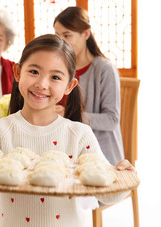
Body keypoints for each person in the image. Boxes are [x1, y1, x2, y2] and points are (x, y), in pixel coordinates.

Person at [0, 34, 136, 226]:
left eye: (55, 77)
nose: (41, 84)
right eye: (33, 72)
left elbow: (107, 193)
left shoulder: (80, 135)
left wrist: (123, 176)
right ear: (17, 73)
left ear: (69, 85)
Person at [53, 6, 124, 166]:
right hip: (63, 151)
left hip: (99, 156)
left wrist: (70, 114)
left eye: (67, 35)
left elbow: (111, 119)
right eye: (57, 35)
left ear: (85, 33)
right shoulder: (59, 68)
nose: (61, 42)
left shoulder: (104, 69)